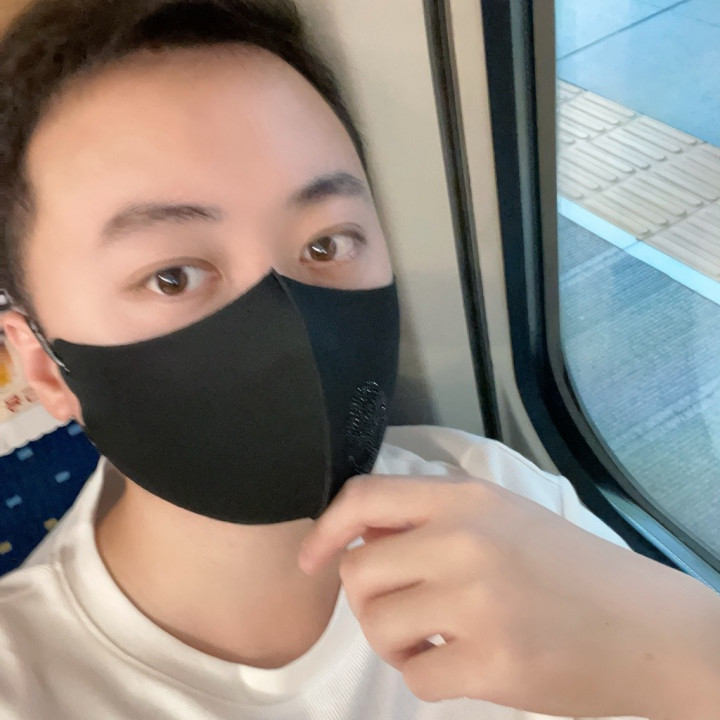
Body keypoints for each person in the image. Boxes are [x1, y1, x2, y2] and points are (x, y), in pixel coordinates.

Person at [0, 1, 718, 718]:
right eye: (172, 277)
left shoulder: (497, 500)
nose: (288, 327)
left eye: (325, 244)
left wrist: (684, 655)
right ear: (41, 366)